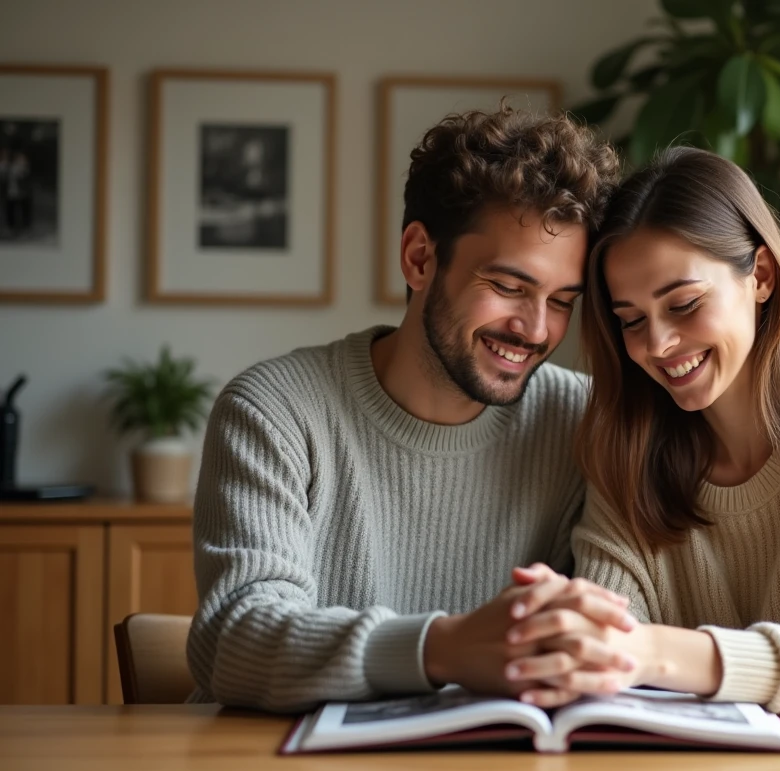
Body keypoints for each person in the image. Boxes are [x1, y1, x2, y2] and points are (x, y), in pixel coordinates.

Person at [186, 107, 638, 712]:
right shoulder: (273, 411)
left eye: (561, 300)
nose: (536, 329)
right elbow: (235, 640)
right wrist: (441, 647)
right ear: (420, 257)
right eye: (508, 287)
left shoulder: (579, 422)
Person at [504, 147, 780, 713]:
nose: (657, 345)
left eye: (684, 304)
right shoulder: (629, 453)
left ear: (759, 276)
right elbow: (608, 660)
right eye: (631, 321)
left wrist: (646, 651)